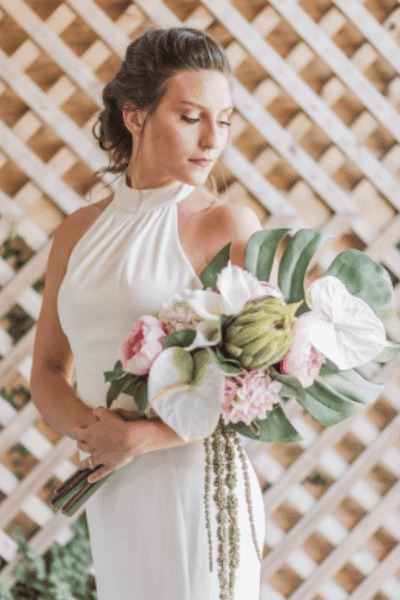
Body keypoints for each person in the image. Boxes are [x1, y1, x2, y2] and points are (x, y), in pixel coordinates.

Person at [30, 27, 266, 600]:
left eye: (225, 119)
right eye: (191, 117)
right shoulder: (77, 232)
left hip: (199, 488)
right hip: (115, 492)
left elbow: (260, 385)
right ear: (134, 116)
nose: (213, 139)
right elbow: (46, 371)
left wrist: (145, 440)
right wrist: (96, 433)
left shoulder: (226, 225)